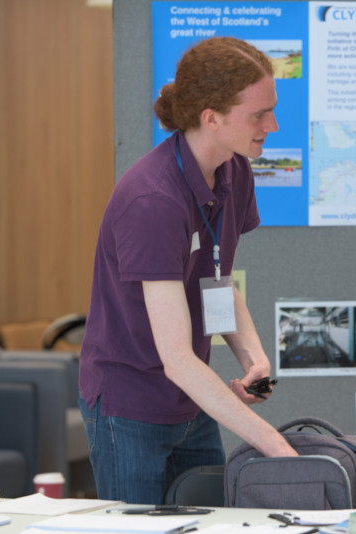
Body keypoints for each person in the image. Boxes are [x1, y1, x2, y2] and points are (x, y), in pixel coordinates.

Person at [78, 37, 297, 504]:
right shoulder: (152, 200)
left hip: (192, 399)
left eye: (271, 110)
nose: (272, 125)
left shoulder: (235, 172)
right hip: (130, 407)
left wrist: (251, 354)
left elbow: (215, 277)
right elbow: (176, 358)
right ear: (210, 116)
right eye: (258, 114)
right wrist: (275, 445)